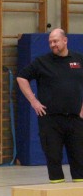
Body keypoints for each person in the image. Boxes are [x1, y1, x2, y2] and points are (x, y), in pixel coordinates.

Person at [17, 28, 83, 183]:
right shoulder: (42, 62)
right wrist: (34, 101)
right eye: (50, 42)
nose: (53, 44)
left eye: (56, 41)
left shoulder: (78, 60)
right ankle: (57, 194)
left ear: (65, 40)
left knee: (79, 157)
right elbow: (21, 78)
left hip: (75, 119)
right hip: (50, 120)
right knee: (53, 157)